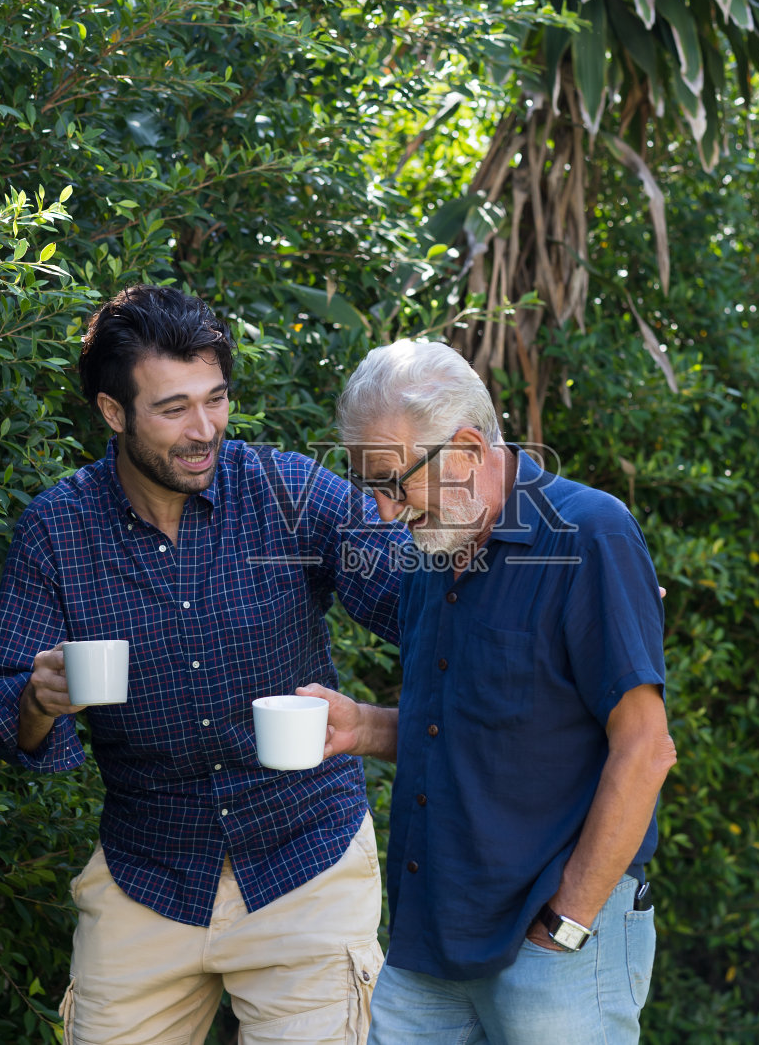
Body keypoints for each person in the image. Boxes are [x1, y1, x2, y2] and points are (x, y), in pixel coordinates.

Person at [0, 284, 406, 1045]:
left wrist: (507, 568)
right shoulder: (56, 530)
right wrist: (39, 699)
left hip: (306, 862)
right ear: (113, 412)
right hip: (148, 877)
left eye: (216, 399)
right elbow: (1, 708)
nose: (203, 428)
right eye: (173, 408)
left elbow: (407, 593)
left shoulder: (288, 491)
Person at [298, 340, 676, 1044]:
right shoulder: (431, 548)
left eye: (392, 482)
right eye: (366, 487)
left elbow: (647, 751)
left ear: (467, 449)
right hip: (430, 940)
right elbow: (470, 725)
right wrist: (363, 727)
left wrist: (567, 921)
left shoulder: (591, 534)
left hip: (552, 945)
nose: (382, 513)